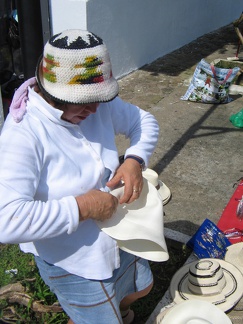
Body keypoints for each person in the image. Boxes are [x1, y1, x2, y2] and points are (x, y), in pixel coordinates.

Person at [0, 29, 159, 324]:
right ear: (52, 93)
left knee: (141, 287)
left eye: (99, 99)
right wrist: (83, 207)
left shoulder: (93, 100)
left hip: (118, 233)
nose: (96, 109)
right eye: (85, 102)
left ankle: (121, 312)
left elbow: (143, 122)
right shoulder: (23, 135)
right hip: (74, 258)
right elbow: (6, 220)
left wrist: (135, 159)